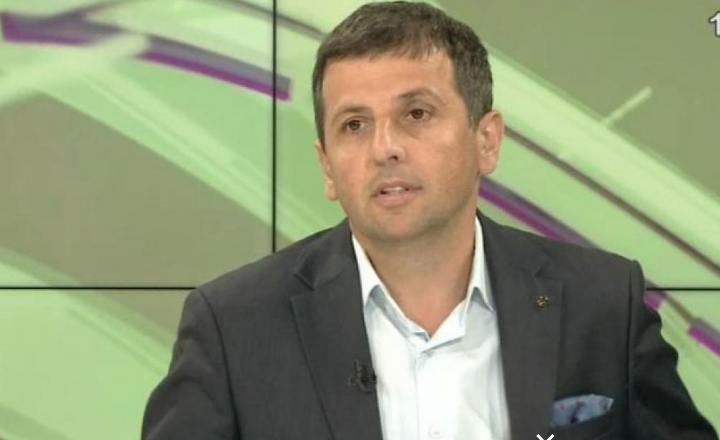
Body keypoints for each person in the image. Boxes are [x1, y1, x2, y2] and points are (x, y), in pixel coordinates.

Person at [141, 2, 718, 439]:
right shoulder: (234, 327)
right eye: (354, 125)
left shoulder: (602, 304)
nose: (384, 148)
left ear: (486, 140)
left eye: (416, 113)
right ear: (327, 167)